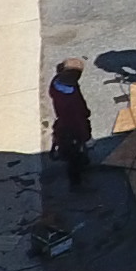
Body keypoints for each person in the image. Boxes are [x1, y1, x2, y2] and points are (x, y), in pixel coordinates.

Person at [47, 60, 94, 191]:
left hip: (64, 125)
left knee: (75, 151)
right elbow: (77, 119)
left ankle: (81, 162)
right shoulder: (70, 100)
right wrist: (86, 136)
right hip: (72, 130)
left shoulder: (57, 84)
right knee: (74, 156)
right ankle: (76, 184)